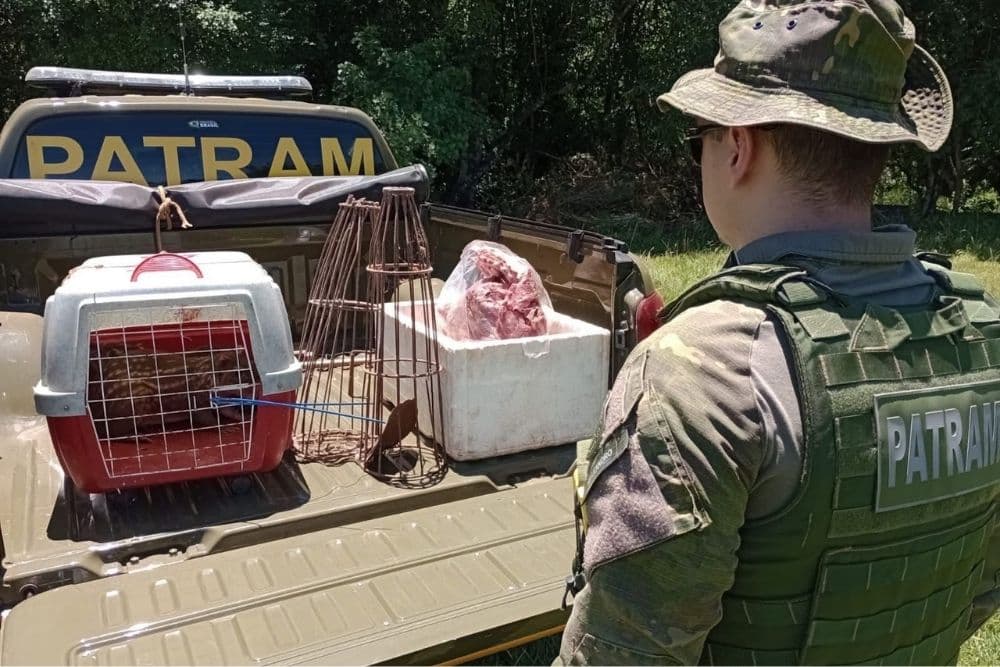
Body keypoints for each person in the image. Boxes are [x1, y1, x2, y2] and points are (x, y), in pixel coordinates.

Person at [558, 1, 1000, 664]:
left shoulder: (702, 370)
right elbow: (978, 588)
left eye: (700, 138)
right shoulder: (983, 335)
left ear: (739, 146)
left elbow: (621, 654)